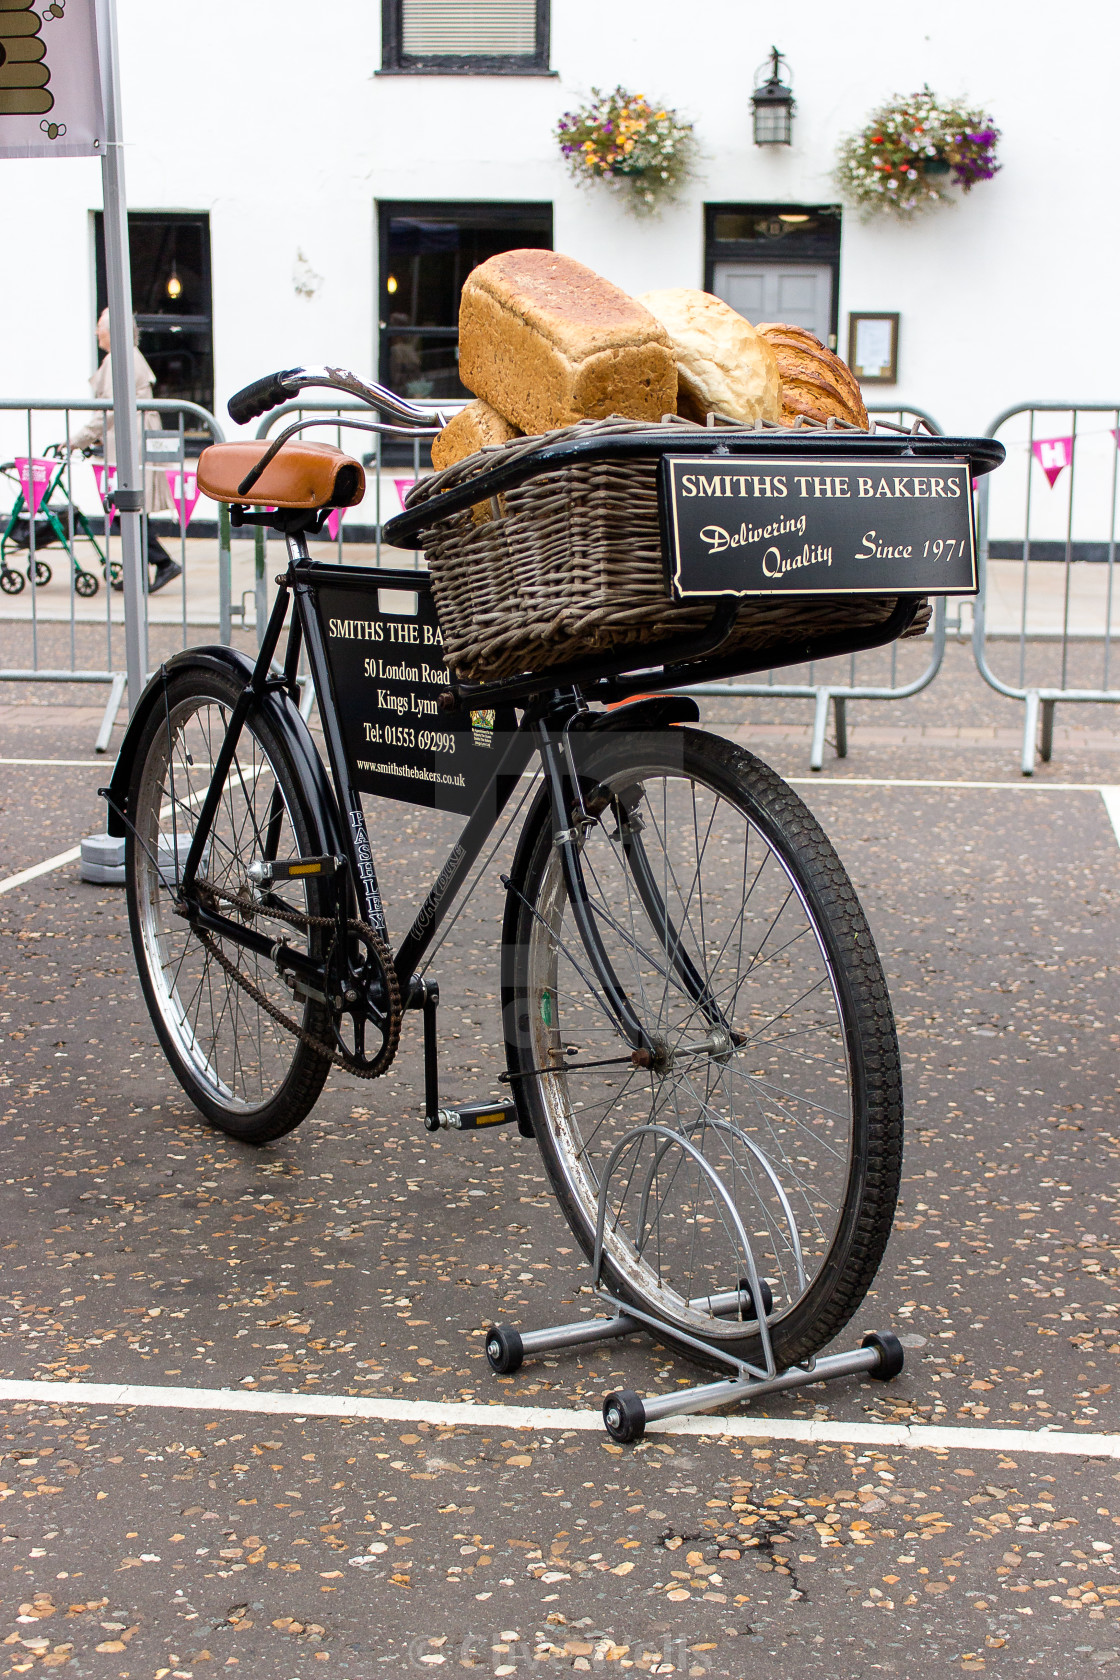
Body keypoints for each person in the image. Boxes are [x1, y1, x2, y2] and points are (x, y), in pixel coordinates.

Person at [71, 308, 181, 593]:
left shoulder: (119, 358)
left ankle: (162, 563)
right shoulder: (127, 356)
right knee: (130, 509)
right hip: (130, 440)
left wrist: (77, 440)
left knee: (128, 508)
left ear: (113, 331)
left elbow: (107, 410)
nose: (97, 333)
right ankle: (143, 574)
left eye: (100, 327)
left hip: (130, 443)